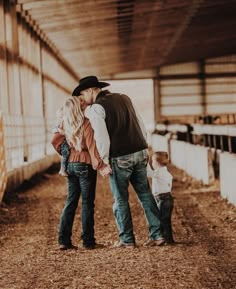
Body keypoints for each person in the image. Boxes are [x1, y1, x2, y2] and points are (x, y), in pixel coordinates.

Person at [72, 76, 165, 248]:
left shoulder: (96, 108)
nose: (83, 98)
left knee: (120, 199)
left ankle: (127, 239)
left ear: (92, 90)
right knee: (145, 194)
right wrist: (144, 146)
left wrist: (104, 161)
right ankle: (158, 235)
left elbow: (101, 137)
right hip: (140, 151)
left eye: (83, 94)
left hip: (119, 157)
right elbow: (140, 123)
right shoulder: (125, 98)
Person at [51, 96, 108, 250]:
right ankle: (88, 242)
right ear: (78, 108)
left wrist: (65, 153)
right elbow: (91, 146)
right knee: (87, 203)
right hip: (85, 165)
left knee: (70, 202)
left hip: (70, 165)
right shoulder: (86, 124)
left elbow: (54, 141)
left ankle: (63, 241)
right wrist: (100, 164)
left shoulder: (64, 124)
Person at [147, 151, 175, 244]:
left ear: (157, 162)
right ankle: (168, 238)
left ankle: (166, 239)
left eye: (152, 161)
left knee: (163, 220)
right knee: (165, 219)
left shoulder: (159, 172)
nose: (152, 163)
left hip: (163, 199)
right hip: (167, 198)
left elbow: (149, 173)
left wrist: (146, 163)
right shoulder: (165, 172)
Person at [52, 106, 70, 177]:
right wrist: (60, 131)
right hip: (63, 142)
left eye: (62, 115)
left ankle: (64, 169)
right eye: (60, 116)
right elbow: (54, 130)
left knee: (66, 154)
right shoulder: (59, 122)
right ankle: (63, 169)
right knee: (65, 154)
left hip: (64, 140)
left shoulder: (64, 121)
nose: (61, 117)